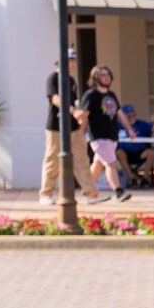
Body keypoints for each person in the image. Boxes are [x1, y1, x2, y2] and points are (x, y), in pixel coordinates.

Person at [41, 50, 92, 205]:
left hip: (73, 127)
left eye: (74, 60)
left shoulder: (70, 80)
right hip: (56, 126)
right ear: (60, 61)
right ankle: (45, 194)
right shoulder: (53, 78)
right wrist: (72, 110)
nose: (72, 64)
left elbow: (75, 101)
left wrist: (81, 113)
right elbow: (55, 99)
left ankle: (90, 193)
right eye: (70, 60)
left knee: (81, 158)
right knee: (52, 160)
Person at [81, 64, 131, 203]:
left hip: (112, 136)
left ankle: (88, 191)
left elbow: (119, 113)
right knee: (111, 163)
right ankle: (118, 191)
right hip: (98, 137)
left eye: (108, 74)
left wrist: (129, 129)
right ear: (96, 77)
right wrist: (80, 133)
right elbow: (84, 115)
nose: (106, 77)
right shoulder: (90, 95)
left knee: (98, 164)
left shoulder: (111, 95)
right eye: (103, 75)